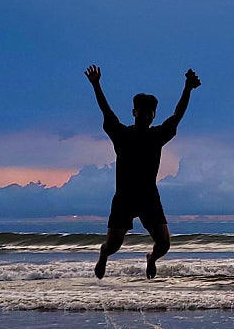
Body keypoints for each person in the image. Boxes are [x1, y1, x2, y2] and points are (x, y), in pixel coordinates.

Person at [86, 64, 201, 279]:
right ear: (134, 112)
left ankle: (151, 258)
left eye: (150, 111)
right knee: (112, 247)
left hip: (149, 197)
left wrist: (187, 88)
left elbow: (177, 115)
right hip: (124, 198)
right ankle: (103, 255)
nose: (147, 114)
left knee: (165, 244)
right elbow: (106, 110)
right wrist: (96, 85)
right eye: (142, 110)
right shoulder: (121, 135)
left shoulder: (157, 136)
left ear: (154, 115)